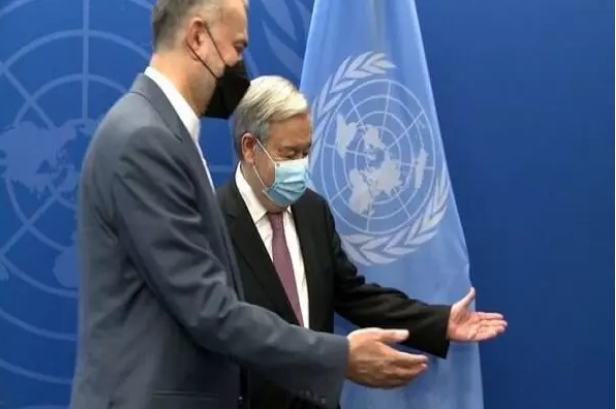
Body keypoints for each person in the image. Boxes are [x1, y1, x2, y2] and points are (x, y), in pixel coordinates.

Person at [69, 1, 431, 409]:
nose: (240, 67)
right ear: (198, 37)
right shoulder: (146, 140)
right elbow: (209, 309)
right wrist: (340, 356)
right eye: (238, 47)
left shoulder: (159, 131)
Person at [217, 75, 508, 409]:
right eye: (289, 153)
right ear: (250, 148)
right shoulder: (210, 224)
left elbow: (352, 295)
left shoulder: (312, 210)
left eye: (306, 152)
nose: (300, 166)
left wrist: (438, 322)